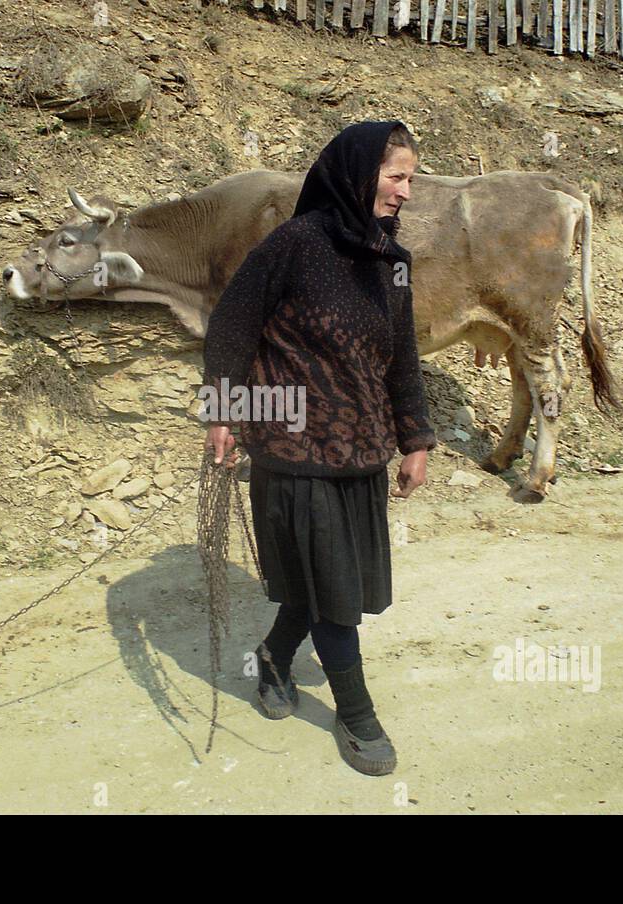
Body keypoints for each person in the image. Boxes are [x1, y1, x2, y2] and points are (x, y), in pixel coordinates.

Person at [200, 121, 436, 776]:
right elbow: (231, 324)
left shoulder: (390, 262)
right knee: (333, 588)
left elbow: (403, 358)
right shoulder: (293, 246)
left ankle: (274, 663)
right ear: (359, 175)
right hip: (291, 449)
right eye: (398, 177)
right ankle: (357, 717)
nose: (407, 192)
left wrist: (414, 437)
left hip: (361, 450)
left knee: (320, 577)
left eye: (411, 179)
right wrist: (220, 409)